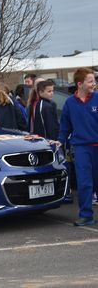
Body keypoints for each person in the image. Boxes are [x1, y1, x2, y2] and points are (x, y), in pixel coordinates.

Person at [58, 68, 98, 226]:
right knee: (84, 182)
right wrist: (60, 140)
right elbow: (65, 126)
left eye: (94, 81)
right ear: (79, 84)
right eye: (90, 81)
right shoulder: (69, 103)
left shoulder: (97, 98)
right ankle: (86, 215)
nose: (94, 84)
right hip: (81, 148)